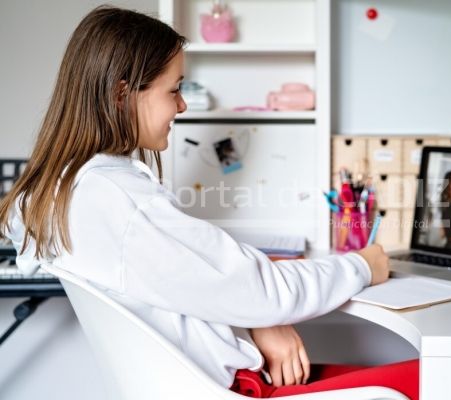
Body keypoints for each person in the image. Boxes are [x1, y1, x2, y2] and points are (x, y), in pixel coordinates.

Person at [0, 6, 418, 399]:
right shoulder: (119, 203)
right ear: (123, 94)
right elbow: (260, 293)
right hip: (240, 387)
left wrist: (256, 317)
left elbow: (208, 285)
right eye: (174, 89)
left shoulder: (61, 190)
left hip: (218, 378)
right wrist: (364, 264)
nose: (181, 105)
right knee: (436, 377)